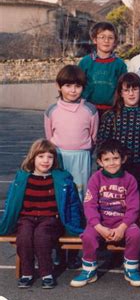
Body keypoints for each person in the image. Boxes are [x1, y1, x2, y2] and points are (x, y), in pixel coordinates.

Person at [0, 139, 83, 289]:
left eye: (50, 157)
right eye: (41, 156)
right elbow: (11, 202)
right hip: (26, 218)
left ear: (55, 160)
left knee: (41, 236)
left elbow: (73, 203)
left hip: (50, 219)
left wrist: (76, 225)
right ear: (33, 158)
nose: (45, 160)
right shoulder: (23, 178)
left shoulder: (61, 178)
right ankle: (27, 272)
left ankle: (46, 272)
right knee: (24, 237)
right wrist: (7, 221)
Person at [70, 140, 140, 288]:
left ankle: (131, 269)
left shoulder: (129, 180)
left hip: (123, 222)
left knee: (136, 235)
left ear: (123, 159)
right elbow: (89, 206)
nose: (112, 163)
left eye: (115, 158)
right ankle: (89, 270)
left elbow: (133, 208)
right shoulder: (95, 179)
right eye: (107, 159)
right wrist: (99, 227)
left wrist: (122, 227)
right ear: (100, 161)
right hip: (101, 223)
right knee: (88, 235)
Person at [98, 72, 140, 197]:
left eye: (135, 89)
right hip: (116, 167)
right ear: (121, 93)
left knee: (136, 204)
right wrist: (102, 168)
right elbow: (102, 143)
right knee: (114, 202)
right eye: (127, 90)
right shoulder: (111, 116)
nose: (131, 94)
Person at [44, 65, 99, 201]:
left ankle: (80, 219)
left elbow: (93, 136)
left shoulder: (91, 110)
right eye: (68, 85)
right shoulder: (51, 110)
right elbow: (49, 136)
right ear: (58, 86)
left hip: (82, 156)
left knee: (80, 191)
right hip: (59, 156)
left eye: (78, 86)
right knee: (60, 191)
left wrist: (84, 150)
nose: (73, 91)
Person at [78, 21, 128, 116]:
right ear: (94, 40)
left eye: (110, 38)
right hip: (88, 110)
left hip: (112, 111)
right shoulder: (85, 62)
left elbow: (123, 88)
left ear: (115, 41)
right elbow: (77, 84)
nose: (106, 41)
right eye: (102, 37)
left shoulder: (120, 64)